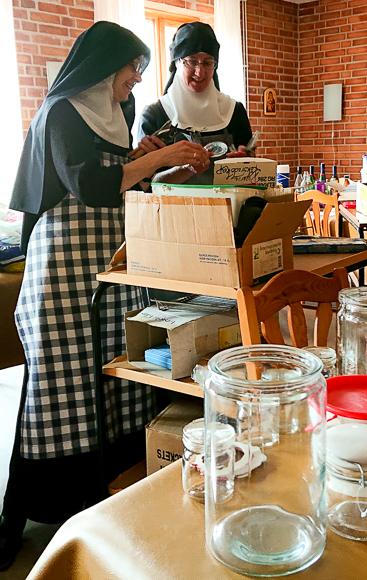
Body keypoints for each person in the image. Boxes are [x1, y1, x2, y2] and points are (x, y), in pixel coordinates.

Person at [0, 21, 210, 570]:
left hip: (111, 264)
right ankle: (32, 508)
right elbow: (92, 185)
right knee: (58, 381)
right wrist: (156, 159)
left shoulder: (117, 112)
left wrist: (157, 160)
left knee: (118, 369)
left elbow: (124, 182)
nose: (137, 78)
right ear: (103, 65)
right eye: (133, 67)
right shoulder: (61, 111)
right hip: (62, 267)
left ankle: (111, 486)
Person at [137, 21, 253, 185]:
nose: (200, 72)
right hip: (171, 202)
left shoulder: (234, 111)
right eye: (192, 61)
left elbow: (251, 173)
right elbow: (144, 183)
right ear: (177, 62)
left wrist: (248, 161)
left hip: (227, 201)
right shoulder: (154, 115)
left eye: (207, 63)